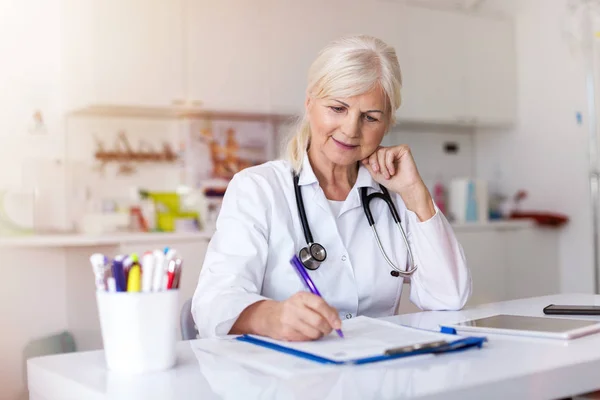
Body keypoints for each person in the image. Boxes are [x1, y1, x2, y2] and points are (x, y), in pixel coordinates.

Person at [192, 34, 471, 341]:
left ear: (388, 122)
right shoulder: (259, 189)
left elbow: (449, 298)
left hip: (376, 376)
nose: (351, 129)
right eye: (337, 108)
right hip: (289, 379)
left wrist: (417, 196)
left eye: (370, 117)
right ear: (310, 103)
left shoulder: (393, 196)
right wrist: (271, 316)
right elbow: (212, 304)